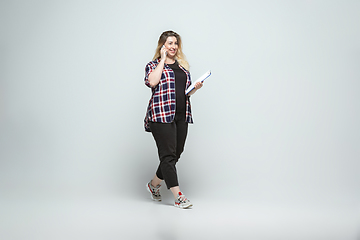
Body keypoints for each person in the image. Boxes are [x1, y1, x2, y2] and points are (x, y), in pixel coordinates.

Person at [144, 30, 203, 209]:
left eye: (175, 43)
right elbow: (152, 82)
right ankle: (178, 196)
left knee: (177, 153)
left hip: (181, 114)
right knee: (168, 155)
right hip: (161, 115)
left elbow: (185, 92)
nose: (173, 46)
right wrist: (162, 59)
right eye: (170, 43)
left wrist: (195, 88)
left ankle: (153, 185)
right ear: (162, 45)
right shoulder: (153, 65)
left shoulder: (183, 66)